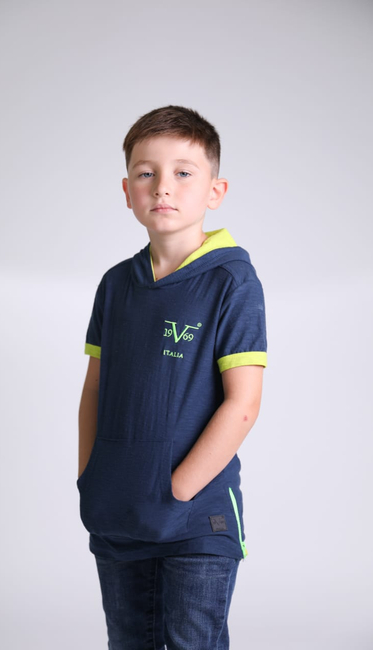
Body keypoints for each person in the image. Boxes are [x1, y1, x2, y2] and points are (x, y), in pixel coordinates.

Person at [77, 105, 267, 650]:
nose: (163, 186)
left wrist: (177, 489)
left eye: (184, 172)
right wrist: (91, 475)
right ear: (127, 190)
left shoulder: (232, 280)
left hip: (196, 522)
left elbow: (243, 404)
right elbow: (95, 388)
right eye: (146, 172)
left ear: (215, 190)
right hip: (117, 512)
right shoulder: (116, 284)